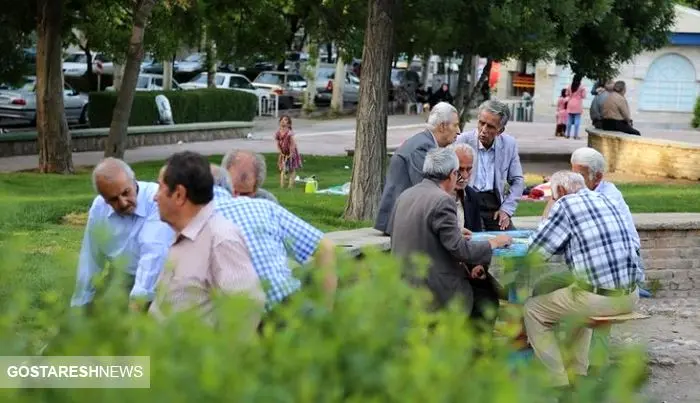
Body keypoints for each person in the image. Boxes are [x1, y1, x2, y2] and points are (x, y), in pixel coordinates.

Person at [524, 170, 641, 390]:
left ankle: (558, 384)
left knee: (533, 310)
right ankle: (578, 375)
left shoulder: (565, 205)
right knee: (575, 293)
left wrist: (551, 206)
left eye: (553, 195)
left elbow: (535, 252)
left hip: (599, 298)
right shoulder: (606, 199)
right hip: (631, 295)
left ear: (559, 191)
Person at [389, 147, 512, 321]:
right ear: (452, 174)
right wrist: (494, 243)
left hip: (405, 281)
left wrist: (455, 230)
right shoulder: (443, 200)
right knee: (486, 299)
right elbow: (461, 250)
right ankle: (473, 348)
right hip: (435, 288)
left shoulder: (406, 195)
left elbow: (413, 231)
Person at [150, 151, 265, 328]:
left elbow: (247, 306)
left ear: (179, 195)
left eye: (160, 187)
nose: (155, 196)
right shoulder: (184, 235)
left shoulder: (220, 239)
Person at [209, 164, 338, 316]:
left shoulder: (189, 219)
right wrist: (326, 311)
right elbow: (326, 247)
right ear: (231, 188)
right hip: (289, 306)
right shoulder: (264, 206)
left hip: (238, 318)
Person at [535, 147, 643, 295]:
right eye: (573, 173)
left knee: (542, 294)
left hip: (617, 269)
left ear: (598, 177)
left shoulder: (607, 197)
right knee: (546, 284)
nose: (575, 179)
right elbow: (547, 228)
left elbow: (542, 243)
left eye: (580, 175)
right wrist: (555, 197)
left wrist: (558, 199)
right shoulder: (582, 195)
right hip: (606, 271)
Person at [71, 158, 174, 312]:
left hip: (163, 277)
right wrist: (80, 302)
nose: (123, 203)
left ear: (133, 180)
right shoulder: (99, 207)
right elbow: (90, 257)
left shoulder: (156, 199)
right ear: (104, 199)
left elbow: (153, 254)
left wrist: (137, 302)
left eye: (126, 193)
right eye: (113, 199)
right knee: (97, 320)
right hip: (122, 275)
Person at [375, 102, 460, 234]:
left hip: (403, 219)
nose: (459, 131)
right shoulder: (422, 147)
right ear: (442, 126)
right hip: (400, 224)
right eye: (455, 125)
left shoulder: (425, 142)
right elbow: (427, 190)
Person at [450, 143, 504, 326]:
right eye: (459, 170)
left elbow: (476, 235)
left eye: (468, 169)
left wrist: (478, 265)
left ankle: (481, 351)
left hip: (468, 265)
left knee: (492, 295)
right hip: (447, 268)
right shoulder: (439, 197)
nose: (464, 176)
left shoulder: (471, 196)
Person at [456, 99, 525, 231]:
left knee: (512, 244)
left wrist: (506, 209)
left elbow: (518, 181)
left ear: (500, 130)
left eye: (491, 127)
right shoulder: (461, 141)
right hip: (468, 200)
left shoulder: (509, 144)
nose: (483, 130)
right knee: (478, 243)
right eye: (481, 123)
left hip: (494, 203)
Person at [275, 115, 302, 188]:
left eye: (286, 120)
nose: (283, 121)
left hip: (291, 152)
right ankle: (282, 185)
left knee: (291, 169)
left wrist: (291, 153)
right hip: (283, 153)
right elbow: (278, 143)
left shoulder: (289, 133)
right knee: (283, 169)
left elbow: (292, 144)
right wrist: (280, 152)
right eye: (282, 120)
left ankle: (290, 185)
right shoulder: (278, 133)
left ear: (289, 124)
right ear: (280, 122)